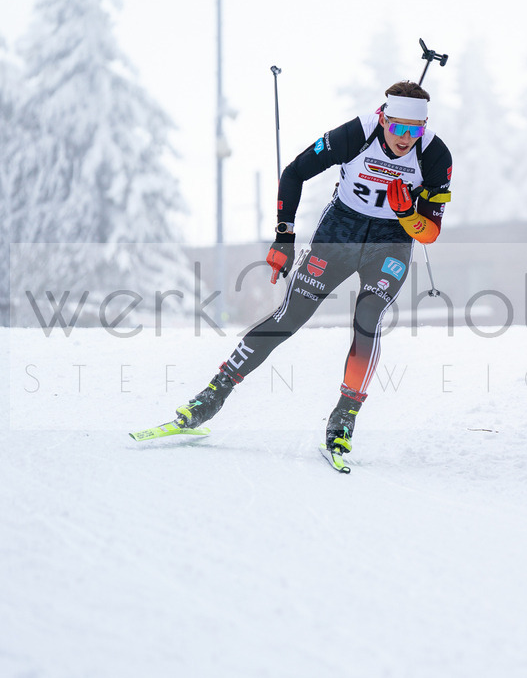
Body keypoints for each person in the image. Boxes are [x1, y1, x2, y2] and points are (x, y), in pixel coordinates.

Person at [174, 80, 452, 472]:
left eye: (414, 130)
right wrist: (283, 238)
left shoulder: (436, 156)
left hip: (391, 243)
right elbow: (294, 172)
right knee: (289, 318)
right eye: (397, 127)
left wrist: (407, 214)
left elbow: (431, 233)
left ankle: (344, 418)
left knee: (368, 317)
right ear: (382, 117)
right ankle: (211, 396)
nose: (404, 138)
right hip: (339, 234)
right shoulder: (356, 134)